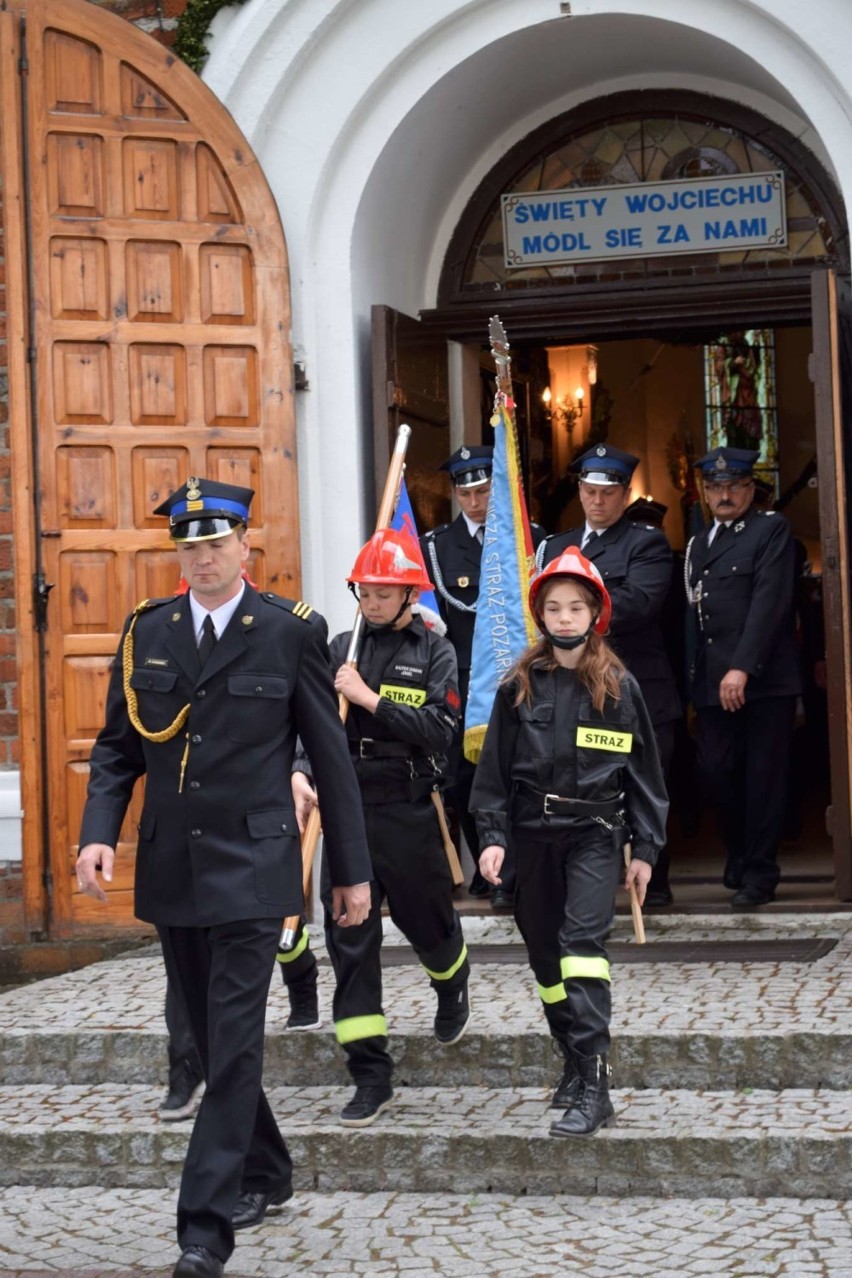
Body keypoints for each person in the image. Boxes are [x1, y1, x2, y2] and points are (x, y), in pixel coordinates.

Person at [75, 477, 372, 1278]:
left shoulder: (288, 632)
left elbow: (333, 761)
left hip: (256, 866)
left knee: (235, 1042)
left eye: (216, 543)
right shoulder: (148, 632)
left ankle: (203, 1227)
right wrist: (98, 834)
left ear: (246, 547)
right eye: (189, 545)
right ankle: (269, 1169)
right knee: (210, 1043)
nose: (202, 558)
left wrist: (351, 874)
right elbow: (116, 750)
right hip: (176, 866)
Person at [471, 549, 667, 1136]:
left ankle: (597, 1086)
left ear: (595, 613)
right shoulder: (518, 686)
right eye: (552, 607)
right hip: (532, 838)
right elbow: (493, 776)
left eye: (574, 606)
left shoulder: (618, 687)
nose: (563, 617)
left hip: (593, 836)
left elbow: (645, 778)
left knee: (582, 948)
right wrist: (492, 838)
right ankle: (575, 1064)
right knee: (543, 958)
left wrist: (646, 851)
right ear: (539, 614)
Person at [293, 526, 470, 1128]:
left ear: (409, 596)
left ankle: (452, 979)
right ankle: (370, 1073)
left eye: (383, 594)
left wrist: (369, 699)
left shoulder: (435, 651)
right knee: (349, 941)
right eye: (364, 592)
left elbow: (440, 732)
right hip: (347, 811)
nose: (371, 603)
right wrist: (299, 770)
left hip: (408, 806)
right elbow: (307, 724)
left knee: (427, 922)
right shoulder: (338, 647)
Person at [537, 445, 680, 906]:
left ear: (624, 494)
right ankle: (585, 883)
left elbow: (640, 602)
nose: (597, 501)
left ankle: (652, 881)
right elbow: (540, 611)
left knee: (643, 779)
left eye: (608, 492)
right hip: (571, 687)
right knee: (582, 782)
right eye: (589, 491)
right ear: (579, 491)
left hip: (632, 684)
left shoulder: (646, 541)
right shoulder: (557, 547)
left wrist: (576, 609)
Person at [421, 444, 545, 909]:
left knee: (517, 776)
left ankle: (513, 875)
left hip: (516, 679)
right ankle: (488, 871)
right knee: (463, 780)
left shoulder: (525, 538)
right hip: (462, 684)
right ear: (455, 494)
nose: (475, 501)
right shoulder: (435, 547)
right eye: (466, 492)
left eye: (484, 490)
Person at [686, 447, 800, 908]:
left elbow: (769, 603)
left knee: (763, 778)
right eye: (715, 487)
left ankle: (760, 872)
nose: (724, 494)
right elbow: (693, 616)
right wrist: (695, 678)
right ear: (705, 493)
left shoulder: (770, 530)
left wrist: (742, 667)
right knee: (714, 770)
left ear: (750, 489)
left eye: (733, 486)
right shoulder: (698, 542)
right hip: (714, 681)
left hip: (764, 680)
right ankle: (737, 850)